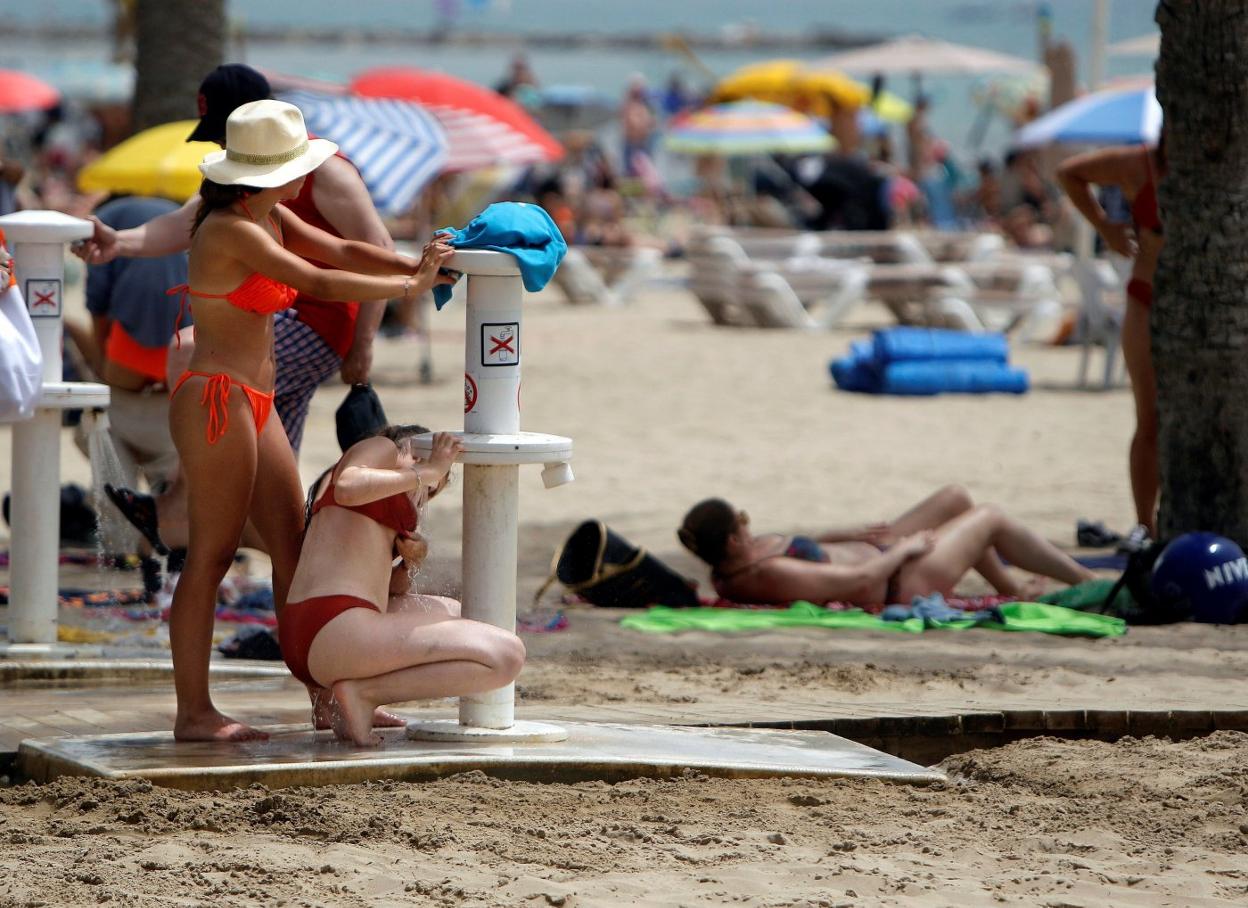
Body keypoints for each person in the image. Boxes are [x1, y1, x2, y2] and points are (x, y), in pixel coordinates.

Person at [167, 100, 454, 742]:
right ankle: (194, 713)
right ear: (271, 175)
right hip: (217, 398)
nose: (309, 178)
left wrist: (417, 262)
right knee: (210, 556)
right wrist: (411, 292)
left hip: (255, 399)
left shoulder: (266, 215)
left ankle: (326, 693)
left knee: (291, 549)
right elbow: (320, 284)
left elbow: (347, 249)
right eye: (301, 168)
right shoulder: (230, 229)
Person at [75, 64, 395, 456]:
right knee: (272, 451)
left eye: (225, 134)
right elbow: (182, 223)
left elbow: (373, 249)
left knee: (192, 355)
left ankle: (183, 483)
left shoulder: (325, 171)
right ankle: (222, 492)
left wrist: (363, 346)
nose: (221, 147)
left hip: (317, 320)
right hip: (270, 308)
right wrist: (118, 243)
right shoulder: (242, 175)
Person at [283, 426, 524, 746]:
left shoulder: (386, 499)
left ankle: (342, 698)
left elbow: (387, 591)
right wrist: (425, 471)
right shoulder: (381, 448)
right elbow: (348, 486)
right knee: (507, 656)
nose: (422, 493)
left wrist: (410, 561)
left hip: (317, 631)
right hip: (334, 625)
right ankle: (362, 694)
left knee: (454, 612)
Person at [678, 486, 1095, 606]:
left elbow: (801, 545)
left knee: (955, 499)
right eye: (743, 522)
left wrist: (852, 534)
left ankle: (1012, 588)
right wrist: (905, 549)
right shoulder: (763, 574)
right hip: (898, 579)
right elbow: (857, 580)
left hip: (883, 556)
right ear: (733, 540)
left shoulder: (736, 557)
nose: (751, 526)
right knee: (990, 517)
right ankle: (1089, 581)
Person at [1058, 137, 1165, 541]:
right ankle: (1146, 527)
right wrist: (1105, 225)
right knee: (1149, 420)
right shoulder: (1141, 164)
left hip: (1216, 311)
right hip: (1145, 297)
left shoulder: (1227, 161)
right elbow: (1069, 172)